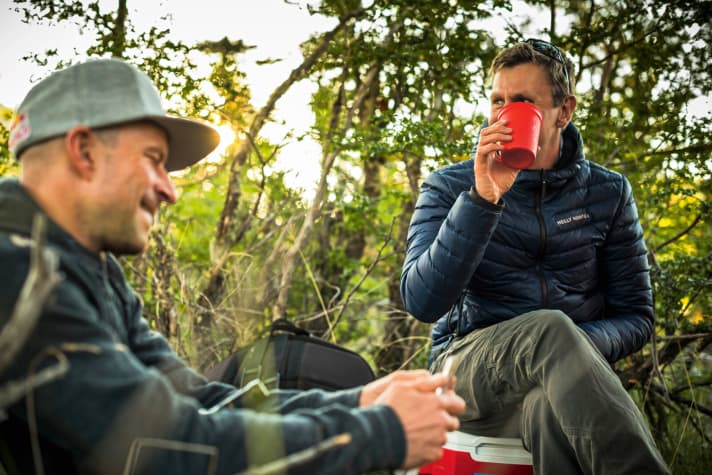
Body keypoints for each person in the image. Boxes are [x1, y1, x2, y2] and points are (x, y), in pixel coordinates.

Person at [0, 58, 465, 475]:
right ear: (83, 151)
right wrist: (380, 432)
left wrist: (358, 401)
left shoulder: (89, 270)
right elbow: (165, 446)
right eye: (154, 160)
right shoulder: (18, 271)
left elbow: (195, 398)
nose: (169, 189)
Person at [400, 39, 671, 474]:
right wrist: (483, 198)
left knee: (548, 406)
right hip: (464, 368)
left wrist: (569, 349)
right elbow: (421, 301)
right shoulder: (451, 186)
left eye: (523, 101)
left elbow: (636, 317)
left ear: (564, 111)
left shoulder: (608, 193)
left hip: (555, 377)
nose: (505, 113)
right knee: (549, 329)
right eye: (498, 101)